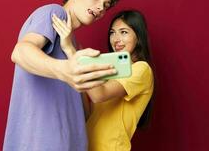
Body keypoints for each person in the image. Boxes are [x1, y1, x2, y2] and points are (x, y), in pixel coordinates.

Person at [3, 0, 120, 151]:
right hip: (43, 142)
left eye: (105, 5)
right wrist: (63, 69)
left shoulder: (75, 46)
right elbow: (20, 52)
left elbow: (84, 109)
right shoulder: (55, 13)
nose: (100, 8)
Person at [52, 10, 154, 151]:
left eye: (124, 32)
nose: (116, 39)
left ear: (138, 36)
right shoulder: (108, 69)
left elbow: (98, 95)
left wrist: (70, 50)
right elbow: (90, 114)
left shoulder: (142, 69)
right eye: (112, 32)